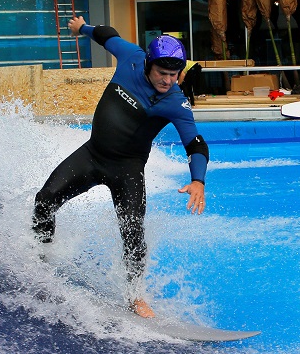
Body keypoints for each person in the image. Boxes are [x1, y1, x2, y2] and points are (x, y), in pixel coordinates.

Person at [33, 17, 208, 311]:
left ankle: (135, 296)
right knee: (44, 200)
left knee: (132, 233)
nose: (168, 81)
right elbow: (107, 35)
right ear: (147, 64)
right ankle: (40, 259)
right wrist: (82, 29)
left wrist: (198, 179)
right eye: (162, 73)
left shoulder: (175, 103)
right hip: (91, 156)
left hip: (127, 171)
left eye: (175, 75)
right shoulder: (131, 57)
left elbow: (196, 143)